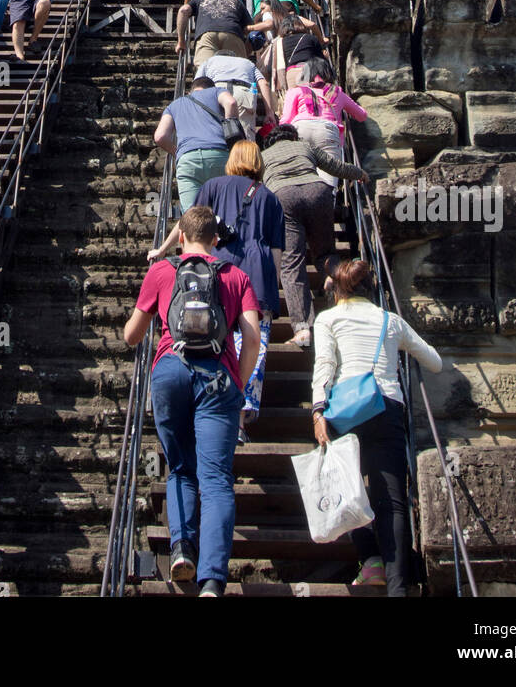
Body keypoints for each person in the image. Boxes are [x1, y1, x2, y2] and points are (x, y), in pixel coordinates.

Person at [124, 205, 261, 597]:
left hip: (170, 370)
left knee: (181, 467)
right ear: (216, 241)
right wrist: (239, 380)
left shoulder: (163, 271)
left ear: (180, 237)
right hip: (218, 377)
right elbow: (251, 338)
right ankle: (213, 581)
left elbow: (133, 335)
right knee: (216, 479)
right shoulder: (236, 276)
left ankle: (182, 549)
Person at [312, 258, 442, 596]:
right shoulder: (390, 320)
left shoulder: (328, 319)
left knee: (344, 492)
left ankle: (370, 559)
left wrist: (317, 412)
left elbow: (325, 366)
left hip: (344, 414)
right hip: (386, 408)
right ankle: (398, 588)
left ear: (338, 290)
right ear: (371, 289)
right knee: (393, 503)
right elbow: (435, 362)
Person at [152, 143, 283, 442]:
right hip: (258, 274)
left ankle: (207, 410)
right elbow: (276, 253)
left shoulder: (212, 186)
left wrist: (163, 250)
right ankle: (237, 418)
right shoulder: (271, 199)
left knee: (218, 339)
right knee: (254, 346)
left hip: (220, 272)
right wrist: (271, 286)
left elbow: (189, 223)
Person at [259, 125, 368, 346]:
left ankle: (302, 329)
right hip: (317, 192)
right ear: (292, 136)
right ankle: (343, 298)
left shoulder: (263, 155)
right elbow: (334, 166)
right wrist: (360, 173)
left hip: (282, 196)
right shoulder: (304, 146)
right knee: (326, 253)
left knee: (292, 263)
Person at [153, 76, 240, 211]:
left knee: (193, 216)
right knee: (225, 212)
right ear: (211, 87)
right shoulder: (216, 91)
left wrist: (178, 152)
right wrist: (230, 132)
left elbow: (159, 136)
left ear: (190, 91)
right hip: (219, 155)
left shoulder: (174, 105)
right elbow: (231, 103)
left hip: (188, 161)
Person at [280, 58, 367, 185]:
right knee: (328, 183)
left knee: (301, 180)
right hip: (328, 132)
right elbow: (362, 115)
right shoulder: (337, 93)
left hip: (300, 129)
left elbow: (286, 120)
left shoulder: (296, 91)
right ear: (327, 72)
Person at [175, 0, 252, 69]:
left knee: (205, 70)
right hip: (232, 24)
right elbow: (239, 4)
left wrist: (187, 3)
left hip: (207, 20)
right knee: (236, 69)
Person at [197, 51, 276, 141]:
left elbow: (198, 85)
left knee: (216, 136)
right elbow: (263, 83)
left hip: (217, 91)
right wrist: (270, 112)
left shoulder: (209, 61)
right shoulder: (247, 63)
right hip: (243, 92)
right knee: (244, 140)